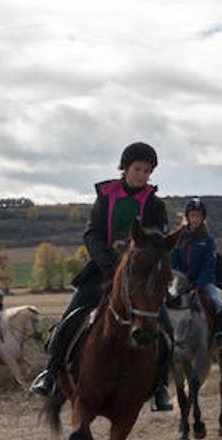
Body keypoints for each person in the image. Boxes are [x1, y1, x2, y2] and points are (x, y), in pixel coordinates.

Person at [29, 141, 173, 408]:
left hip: (139, 278)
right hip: (103, 271)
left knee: (166, 329)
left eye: (147, 171)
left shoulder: (155, 205)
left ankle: (161, 386)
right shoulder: (106, 196)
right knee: (67, 320)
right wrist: (107, 262)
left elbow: (158, 242)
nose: (142, 175)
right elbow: (92, 233)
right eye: (137, 168)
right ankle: (50, 374)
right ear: (125, 168)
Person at [171, 198, 222, 347]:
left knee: (215, 301)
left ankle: (219, 334)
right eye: (192, 215)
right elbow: (174, 260)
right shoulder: (179, 238)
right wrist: (179, 277)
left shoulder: (208, 240)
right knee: (167, 299)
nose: (195, 219)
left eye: (198, 216)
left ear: (203, 218)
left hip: (203, 281)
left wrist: (199, 282)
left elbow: (209, 264)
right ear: (187, 217)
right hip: (182, 281)